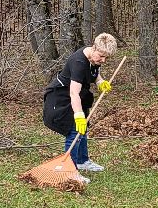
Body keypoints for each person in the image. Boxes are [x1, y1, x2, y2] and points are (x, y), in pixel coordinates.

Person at [43, 33, 118, 177]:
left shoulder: (93, 58)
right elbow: (73, 93)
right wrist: (78, 115)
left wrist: (100, 82)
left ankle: (83, 161)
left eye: (106, 57)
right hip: (61, 97)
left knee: (83, 129)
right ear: (94, 47)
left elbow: (94, 73)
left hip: (77, 96)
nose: (103, 60)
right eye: (101, 56)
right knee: (75, 130)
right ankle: (70, 171)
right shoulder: (79, 62)